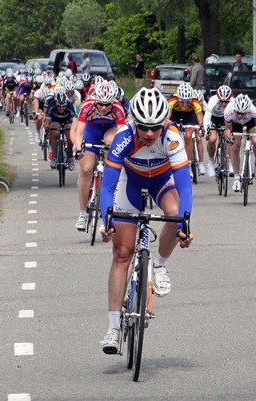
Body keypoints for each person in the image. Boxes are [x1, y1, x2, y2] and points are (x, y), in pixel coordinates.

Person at [98, 88, 194, 354]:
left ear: (163, 123)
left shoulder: (172, 136)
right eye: (143, 128)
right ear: (134, 123)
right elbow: (107, 186)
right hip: (130, 181)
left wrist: (185, 225)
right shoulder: (123, 136)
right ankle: (113, 328)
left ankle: (160, 265)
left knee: (175, 213)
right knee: (122, 252)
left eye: (154, 128)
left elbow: (185, 188)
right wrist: (107, 218)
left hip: (162, 181)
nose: (149, 134)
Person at [73, 80, 126, 231]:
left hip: (110, 129)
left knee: (111, 142)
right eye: (100, 104)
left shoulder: (118, 108)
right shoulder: (87, 105)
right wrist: (79, 149)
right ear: (95, 100)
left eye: (107, 104)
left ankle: (106, 211)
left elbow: (122, 135)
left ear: (112, 102)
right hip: (91, 131)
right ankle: (82, 214)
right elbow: (79, 133)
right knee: (86, 170)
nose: (103, 107)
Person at [224, 94, 256, 192]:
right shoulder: (228, 111)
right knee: (235, 146)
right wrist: (229, 138)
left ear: (248, 110)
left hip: (251, 122)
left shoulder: (253, 110)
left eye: (243, 113)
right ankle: (236, 177)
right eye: (238, 113)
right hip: (235, 125)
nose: (240, 115)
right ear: (234, 109)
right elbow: (227, 129)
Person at [168, 82, 206, 176]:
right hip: (175, 115)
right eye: (182, 102)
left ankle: (188, 164)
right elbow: (167, 118)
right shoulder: (172, 100)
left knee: (188, 135)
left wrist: (201, 128)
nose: (185, 104)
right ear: (178, 99)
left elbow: (200, 119)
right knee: (172, 134)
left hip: (189, 116)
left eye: (187, 102)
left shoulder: (195, 102)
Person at [203, 85, 234, 177]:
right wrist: (206, 130)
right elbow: (207, 117)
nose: (224, 104)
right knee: (212, 139)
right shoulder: (213, 100)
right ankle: (211, 162)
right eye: (221, 101)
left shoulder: (233, 101)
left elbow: (236, 118)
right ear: (218, 98)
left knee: (229, 138)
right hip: (214, 119)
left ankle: (230, 162)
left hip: (226, 120)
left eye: (226, 101)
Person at [44, 92, 77, 170]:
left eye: (63, 106)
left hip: (67, 121)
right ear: (56, 104)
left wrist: (75, 131)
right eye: (59, 106)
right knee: (54, 133)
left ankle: (70, 158)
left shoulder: (69, 106)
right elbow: (47, 121)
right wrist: (47, 130)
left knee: (70, 138)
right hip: (56, 120)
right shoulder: (51, 105)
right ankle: (54, 158)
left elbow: (74, 121)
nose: (61, 108)